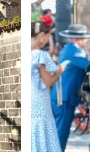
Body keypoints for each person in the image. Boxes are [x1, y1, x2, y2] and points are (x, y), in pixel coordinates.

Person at [50, 24, 90, 151]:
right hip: (63, 98)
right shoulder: (73, 52)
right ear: (75, 39)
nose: (86, 40)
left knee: (59, 132)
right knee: (61, 133)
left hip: (61, 96)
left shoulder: (70, 49)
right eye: (83, 38)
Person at [31, 21, 65, 151]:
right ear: (41, 35)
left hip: (32, 102)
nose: (48, 39)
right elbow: (49, 82)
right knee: (44, 132)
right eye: (47, 36)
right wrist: (60, 71)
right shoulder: (40, 55)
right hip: (40, 102)